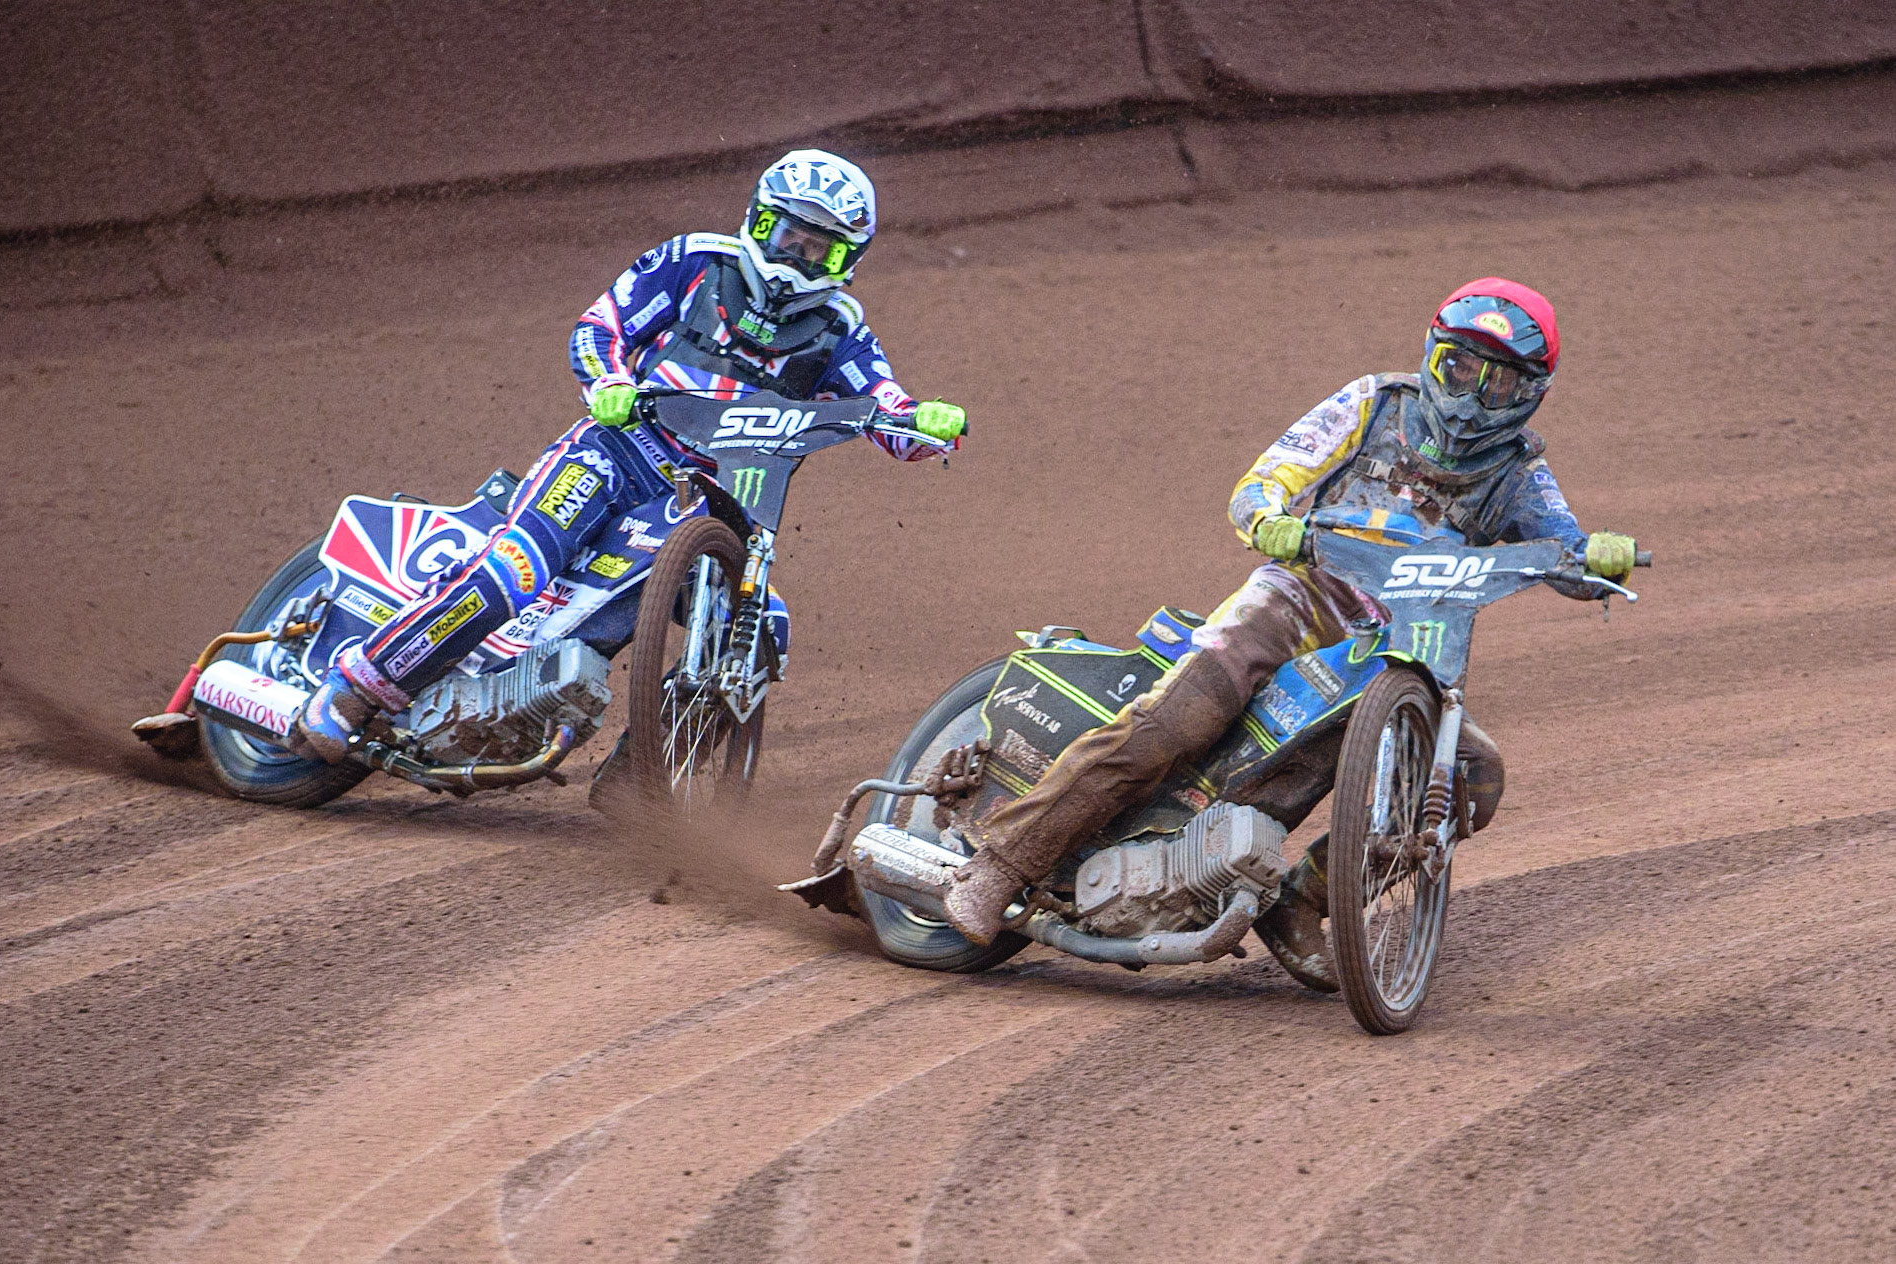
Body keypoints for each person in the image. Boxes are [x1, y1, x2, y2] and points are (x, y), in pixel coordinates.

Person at [941, 278, 1636, 990]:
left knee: (1470, 779)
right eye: (1460, 367)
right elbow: (1268, 476)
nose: (1471, 392)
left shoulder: (1521, 473)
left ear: (1531, 392)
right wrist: (1267, 516)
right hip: (1300, 594)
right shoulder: (1376, 402)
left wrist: (1596, 556)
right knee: (1179, 721)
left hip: (1405, 639)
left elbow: (1567, 552)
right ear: (1434, 356)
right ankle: (1001, 864)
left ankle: (1301, 898)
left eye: (1498, 380)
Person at [288, 150, 966, 763]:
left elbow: (889, 413)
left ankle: (649, 768)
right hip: (619, 452)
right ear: (759, 223)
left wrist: (926, 421)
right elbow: (599, 327)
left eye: (819, 250)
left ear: (847, 258)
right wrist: (608, 381)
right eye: (788, 236)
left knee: (765, 630)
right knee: (514, 569)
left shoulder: (842, 331)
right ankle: (355, 689)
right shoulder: (696, 261)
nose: (797, 259)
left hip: (715, 497)